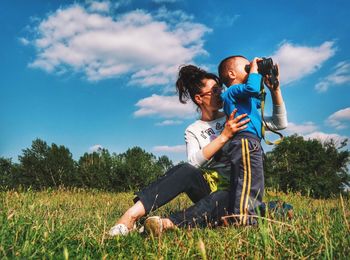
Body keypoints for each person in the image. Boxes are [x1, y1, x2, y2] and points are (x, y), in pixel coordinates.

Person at [109, 63, 287, 236]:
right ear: (199, 98)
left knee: (230, 196)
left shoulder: (233, 113)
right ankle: (129, 218)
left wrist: (275, 91)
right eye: (214, 91)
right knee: (185, 170)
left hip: (237, 188)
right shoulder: (193, 129)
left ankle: (164, 224)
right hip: (206, 189)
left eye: (220, 89)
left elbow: (279, 124)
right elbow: (194, 162)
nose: (221, 93)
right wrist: (224, 135)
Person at [217, 55, 287, 225]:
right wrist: (254, 71)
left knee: (251, 182)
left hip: (251, 143)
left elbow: (259, 98)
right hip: (244, 141)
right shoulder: (231, 92)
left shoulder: (246, 97)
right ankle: (244, 220)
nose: (251, 68)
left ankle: (243, 217)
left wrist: (272, 84)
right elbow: (252, 89)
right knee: (249, 184)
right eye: (247, 67)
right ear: (232, 74)